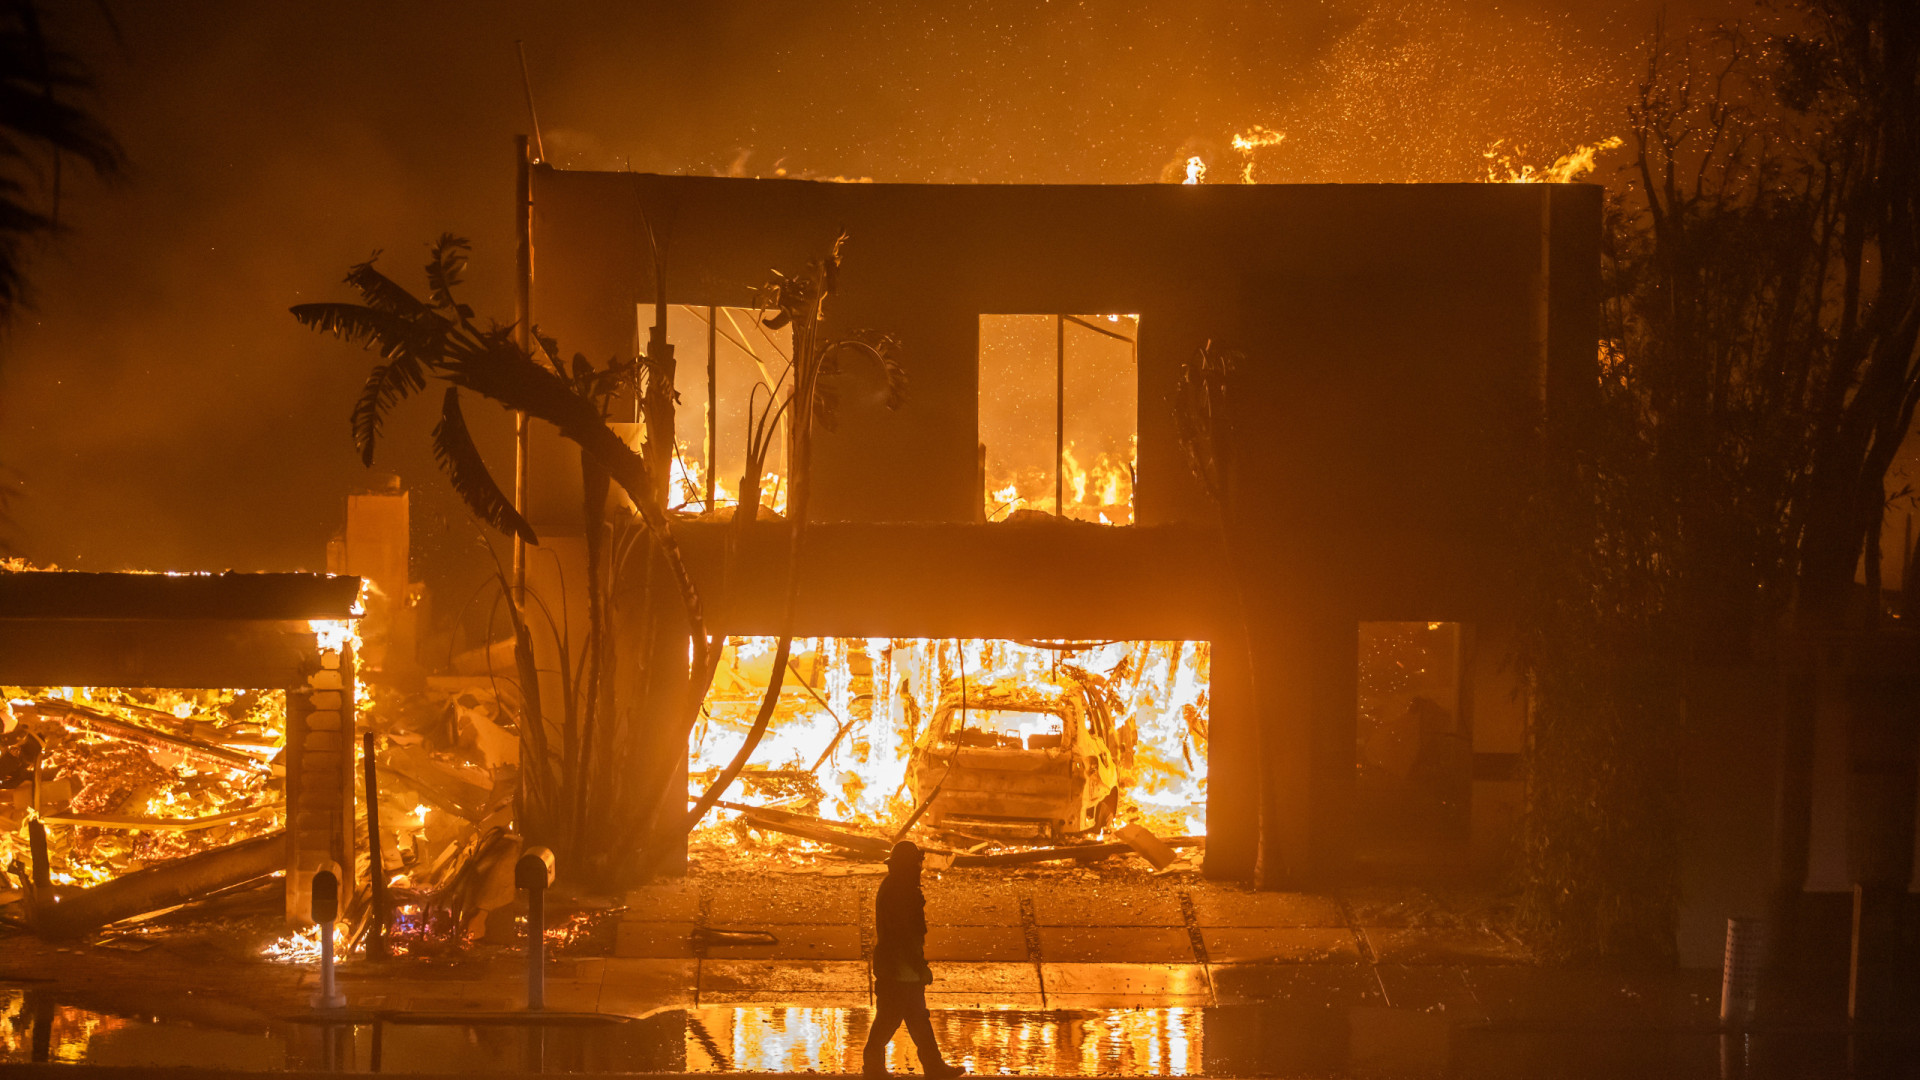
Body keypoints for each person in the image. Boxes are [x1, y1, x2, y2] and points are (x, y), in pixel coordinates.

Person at [863, 841, 963, 1078]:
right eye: (916, 864)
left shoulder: (895, 887)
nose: (919, 869)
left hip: (899, 968)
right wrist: (919, 966)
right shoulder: (901, 892)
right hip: (899, 970)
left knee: (917, 1020)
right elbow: (904, 935)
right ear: (909, 866)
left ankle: (932, 1066)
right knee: (890, 1019)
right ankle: (874, 1066)